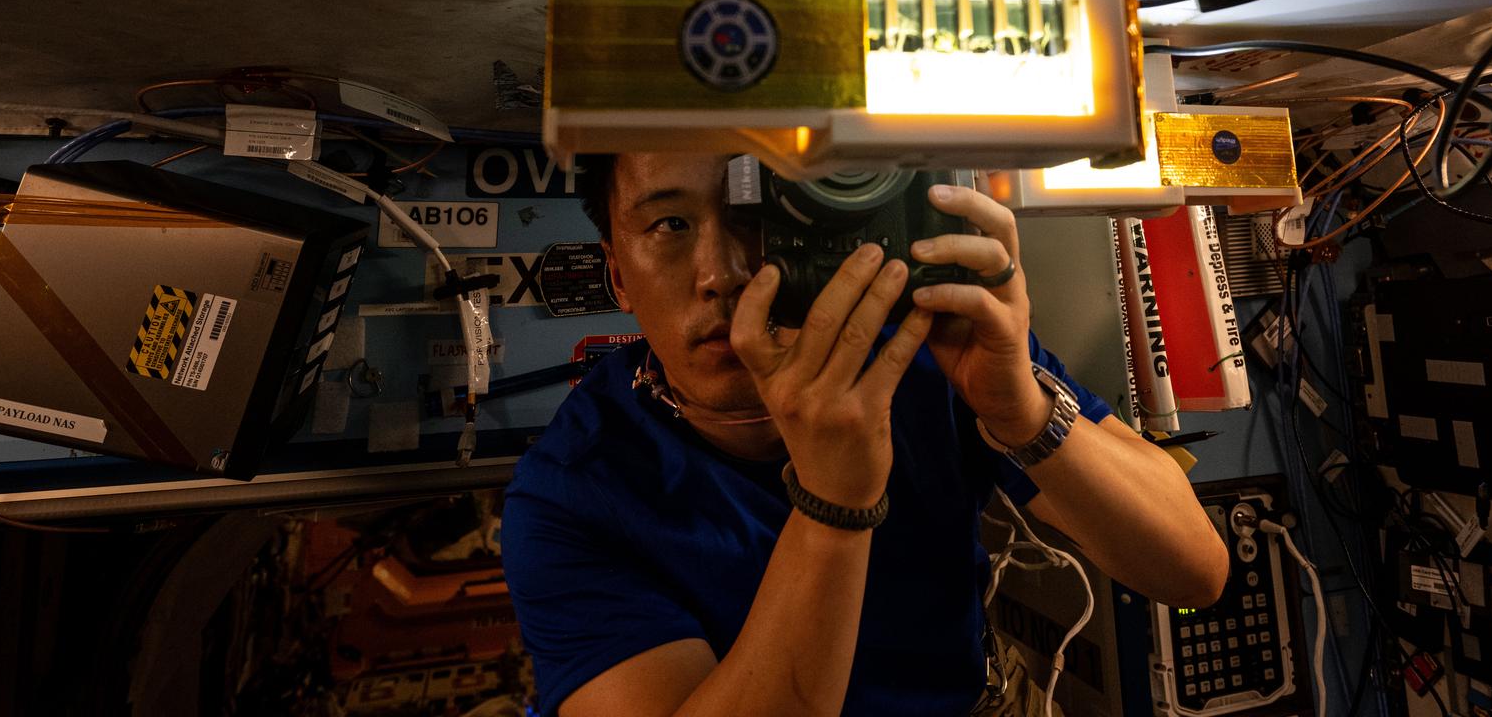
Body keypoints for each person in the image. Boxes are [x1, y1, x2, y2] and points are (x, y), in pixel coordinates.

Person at [502, 152, 1229, 717]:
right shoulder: (570, 495)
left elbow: (1194, 572)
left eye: (754, 214)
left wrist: (1020, 413)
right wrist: (834, 499)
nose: (721, 273)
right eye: (669, 225)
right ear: (619, 278)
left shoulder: (923, 346)